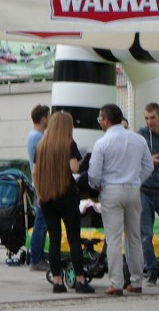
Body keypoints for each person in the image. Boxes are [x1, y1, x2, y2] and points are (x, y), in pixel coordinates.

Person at [88, 103, 154, 295]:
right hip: (134, 190)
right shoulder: (138, 139)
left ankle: (116, 283)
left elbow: (93, 174)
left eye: (100, 119)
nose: (100, 122)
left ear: (106, 120)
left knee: (114, 238)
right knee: (134, 237)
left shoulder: (102, 143)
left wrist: (97, 184)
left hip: (111, 190)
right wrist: (136, 180)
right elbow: (148, 166)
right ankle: (136, 281)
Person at [33, 112, 94, 294]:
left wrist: (39, 193)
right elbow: (74, 167)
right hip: (66, 195)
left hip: (47, 197)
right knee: (74, 240)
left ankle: (57, 281)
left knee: (54, 240)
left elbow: (35, 172)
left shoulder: (41, 145)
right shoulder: (68, 143)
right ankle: (81, 280)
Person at [137, 102, 159, 286]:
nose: (149, 122)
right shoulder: (142, 135)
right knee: (145, 234)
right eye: (146, 118)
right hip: (145, 189)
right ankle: (151, 270)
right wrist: (148, 160)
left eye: (153, 117)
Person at [27, 104, 51, 272]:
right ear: (43, 119)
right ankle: (36, 258)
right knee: (41, 223)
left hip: (40, 183)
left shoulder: (33, 135)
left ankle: (37, 256)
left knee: (42, 222)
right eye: (49, 117)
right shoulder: (38, 138)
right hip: (43, 184)